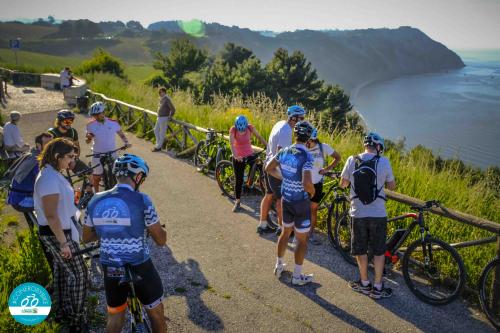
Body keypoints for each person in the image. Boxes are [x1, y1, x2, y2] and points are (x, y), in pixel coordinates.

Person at [82, 154, 167, 333]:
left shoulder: (95, 199)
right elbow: (160, 240)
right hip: (140, 265)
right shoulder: (143, 200)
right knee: (157, 313)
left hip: (111, 267)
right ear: (137, 177)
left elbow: (86, 237)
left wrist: (108, 230)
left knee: (114, 315)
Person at [33, 138, 88, 332]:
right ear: (57, 156)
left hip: (61, 232)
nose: (72, 161)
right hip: (57, 234)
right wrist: (63, 243)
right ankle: (76, 320)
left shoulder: (53, 173)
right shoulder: (48, 178)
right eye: (70, 157)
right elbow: (50, 215)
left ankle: (64, 312)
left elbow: (58, 207)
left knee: (65, 275)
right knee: (80, 275)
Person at [340, 132, 396, 299]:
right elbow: (392, 186)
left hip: (358, 213)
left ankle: (364, 284)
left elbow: (343, 184)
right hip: (378, 214)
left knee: (360, 250)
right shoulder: (384, 162)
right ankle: (378, 287)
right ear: (378, 147)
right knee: (379, 251)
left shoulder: (352, 160)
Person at [266, 121, 315, 286]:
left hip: (286, 198)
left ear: (295, 135)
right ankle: (297, 276)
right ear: (308, 139)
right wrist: (312, 192)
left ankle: (278, 265)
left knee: (285, 233)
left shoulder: (284, 151)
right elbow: (307, 182)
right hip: (300, 201)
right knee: (301, 239)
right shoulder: (307, 156)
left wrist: (284, 178)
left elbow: (268, 168)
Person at [257, 105, 306, 234]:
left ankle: (262, 225)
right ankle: (282, 229)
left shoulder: (280, 124)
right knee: (281, 200)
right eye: (301, 118)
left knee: (268, 195)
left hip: (268, 164)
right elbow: (281, 155)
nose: (303, 120)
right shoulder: (287, 131)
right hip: (276, 170)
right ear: (293, 118)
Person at [7, 132, 53, 226]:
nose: (51, 147)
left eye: (52, 144)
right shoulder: (37, 161)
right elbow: (42, 183)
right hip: (21, 200)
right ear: (38, 145)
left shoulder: (32, 154)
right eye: (48, 144)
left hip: (17, 196)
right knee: (54, 204)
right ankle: (49, 235)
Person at [85, 101, 131, 192]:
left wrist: (126, 142)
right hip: (98, 153)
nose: (96, 117)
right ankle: (96, 194)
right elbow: (88, 139)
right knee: (96, 176)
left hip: (112, 152)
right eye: (94, 115)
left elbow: (120, 134)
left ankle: (117, 191)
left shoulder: (113, 123)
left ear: (103, 112)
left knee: (117, 172)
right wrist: (88, 139)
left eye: (98, 114)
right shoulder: (90, 125)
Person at [306, 128, 341, 245]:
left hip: (317, 183)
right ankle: (296, 231)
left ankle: (310, 234)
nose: (306, 143)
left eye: (308, 141)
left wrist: (326, 169)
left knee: (313, 210)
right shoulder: (302, 147)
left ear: (314, 139)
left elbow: (337, 157)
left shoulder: (323, 147)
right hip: (303, 183)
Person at [229, 115, 267, 212]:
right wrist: (236, 156)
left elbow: (259, 137)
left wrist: (267, 146)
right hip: (239, 157)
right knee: (239, 179)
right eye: (240, 130)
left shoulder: (250, 127)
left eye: (243, 130)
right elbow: (232, 144)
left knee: (260, 165)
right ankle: (237, 202)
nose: (242, 131)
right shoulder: (233, 130)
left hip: (249, 153)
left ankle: (253, 183)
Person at [152, 87, 176, 152]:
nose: (159, 93)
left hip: (164, 118)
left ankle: (158, 147)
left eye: (161, 92)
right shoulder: (161, 99)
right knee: (155, 130)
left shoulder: (167, 99)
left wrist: (170, 117)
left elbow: (173, 109)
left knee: (162, 133)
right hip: (159, 117)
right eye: (159, 92)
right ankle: (158, 145)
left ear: (164, 92)